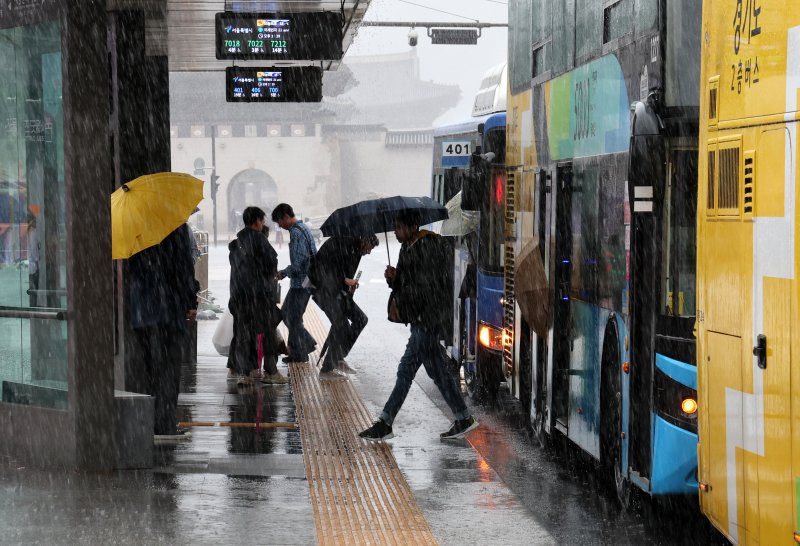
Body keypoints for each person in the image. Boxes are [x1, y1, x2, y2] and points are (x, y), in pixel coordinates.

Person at [359, 210, 478, 442]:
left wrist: (401, 281)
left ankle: (385, 422)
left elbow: (426, 286)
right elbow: (408, 284)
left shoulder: (428, 247)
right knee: (438, 372)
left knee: (406, 369)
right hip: (421, 318)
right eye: (395, 227)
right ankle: (464, 418)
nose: (395, 231)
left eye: (399, 227)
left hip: (429, 318)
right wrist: (394, 279)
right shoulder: (407, 248)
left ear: (412, 227)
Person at [128, 224, 199, 441]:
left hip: (142, 312)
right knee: (169, 369)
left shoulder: (134, 227)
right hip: (169, 310)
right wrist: (190, 301)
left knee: (148, 368)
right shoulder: (176, 228)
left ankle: (147, 422)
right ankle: (165, 423)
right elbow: (184, 268)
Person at [227, 206, 288, 386]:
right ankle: (271, 371)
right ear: (256, 221)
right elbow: (271, 262)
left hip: (239, 296)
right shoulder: (259, 240)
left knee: (243, 335)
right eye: (262, 221)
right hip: (258, 296)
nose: (263, 224)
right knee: (267, 333)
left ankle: (245, 373)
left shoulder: (237, 242)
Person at [311, 235, 377, 381]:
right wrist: (343, 279)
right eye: (369, 248)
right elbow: (323, 266)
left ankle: (338, 357)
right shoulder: (340, 242)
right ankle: (327, 369)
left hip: (339, 292)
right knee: (341, 326)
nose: (369, 252)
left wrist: (349, 286)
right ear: (364, 240)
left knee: (361, 319)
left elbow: (347, 273)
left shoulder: (356, 250)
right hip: (323, 291)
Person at [272, 203, 317, 363]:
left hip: (302, 283)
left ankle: (303, 347)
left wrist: (283, 273)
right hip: (305, 281)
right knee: (290, 315)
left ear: (285, 217)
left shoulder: (296, 233)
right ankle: (300, 350)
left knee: (291, 316)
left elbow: (299, 262)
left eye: (279, 221)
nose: (279, 225)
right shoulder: (303, 228)